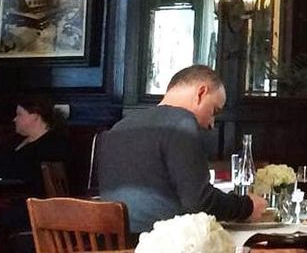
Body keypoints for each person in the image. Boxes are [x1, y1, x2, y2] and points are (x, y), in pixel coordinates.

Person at [96, 65, 267, 236]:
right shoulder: (181, 123)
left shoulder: (118, 127)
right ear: (201, 93)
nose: (211, 123)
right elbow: (200, 203)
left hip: (111, 251)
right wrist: (247, 206)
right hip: (160, 251)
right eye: (214, 111)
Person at [0, 96, 72, 230]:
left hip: (35, 205)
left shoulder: (54, 144)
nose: (15, 119)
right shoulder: (14, 141)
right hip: (6, 198)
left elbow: (35, 177)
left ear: (35, 116)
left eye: (19, 114)